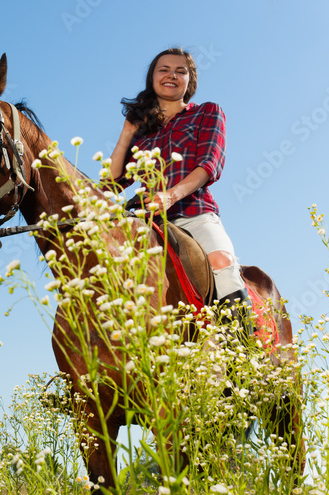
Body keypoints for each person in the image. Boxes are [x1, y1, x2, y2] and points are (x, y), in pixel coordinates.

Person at [107, 47, 252, 331]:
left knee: (222, 262)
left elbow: (209, 164)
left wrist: (170, 194)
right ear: (152, 78)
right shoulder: (142, 135)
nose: (171, 75)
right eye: (164, 69)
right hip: (145, 222)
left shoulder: (208, 112)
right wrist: (127, 132)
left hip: (194, 214)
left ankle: (243, 359)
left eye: (180, 71)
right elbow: (112, 185)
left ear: (190, 81)